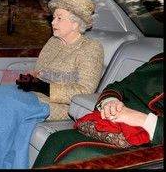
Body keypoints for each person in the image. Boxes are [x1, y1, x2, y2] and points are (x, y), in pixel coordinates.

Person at [0, 0, 104, 169]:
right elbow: (40, 71)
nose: (52, 22)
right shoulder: (54, 42)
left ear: (76, 23)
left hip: (60, 105)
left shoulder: (91, 48)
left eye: (59, 18)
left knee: (6, 105)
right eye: (53, 17)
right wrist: (31, 77)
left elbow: (84, 91)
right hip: (35, 93)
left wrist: (42, 87)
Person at [32, 53, 163, 168]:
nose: (54, 23)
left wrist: (143, 120)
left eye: (59, 21)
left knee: (79, 156)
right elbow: (118, 86)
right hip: (116, 126)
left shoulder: (90, 49)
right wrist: (110, 101)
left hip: (152, 143)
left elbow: (81, 88)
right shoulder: (158, 59)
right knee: (58, 138)